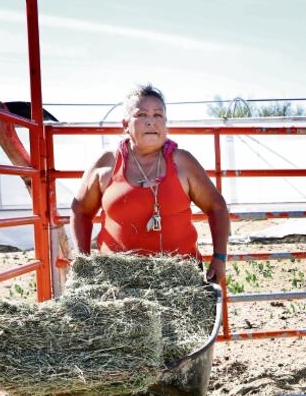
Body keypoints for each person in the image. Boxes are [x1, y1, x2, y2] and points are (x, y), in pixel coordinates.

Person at [71, 84, 230, 283]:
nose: (151, 122)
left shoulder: (183, 162)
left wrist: (219, 257)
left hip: (180, 278)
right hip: (117, 281)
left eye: (158, 115)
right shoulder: (106, 164)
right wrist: (83, 262)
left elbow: (217, 207)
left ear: (165, 122)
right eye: (142, 115)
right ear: (125, 124)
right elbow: (81, 211)